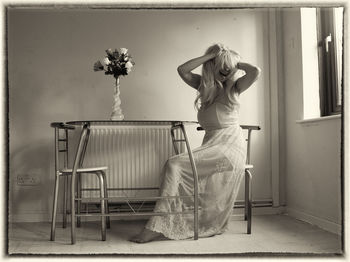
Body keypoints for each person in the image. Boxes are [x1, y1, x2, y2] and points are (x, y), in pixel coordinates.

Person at [130, 43, 260, 243]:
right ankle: (161, 223)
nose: (225, 70)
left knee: (174, 164)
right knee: (174, 166)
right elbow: (182, 70)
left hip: (230, 149)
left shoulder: (235, 87)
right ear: (211, 65)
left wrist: (231, 60)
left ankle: (155, 226)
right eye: (220, 65)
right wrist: (210, 56)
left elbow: (255, 71)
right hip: (212, 145)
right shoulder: (204, 86)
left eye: (229, 67)